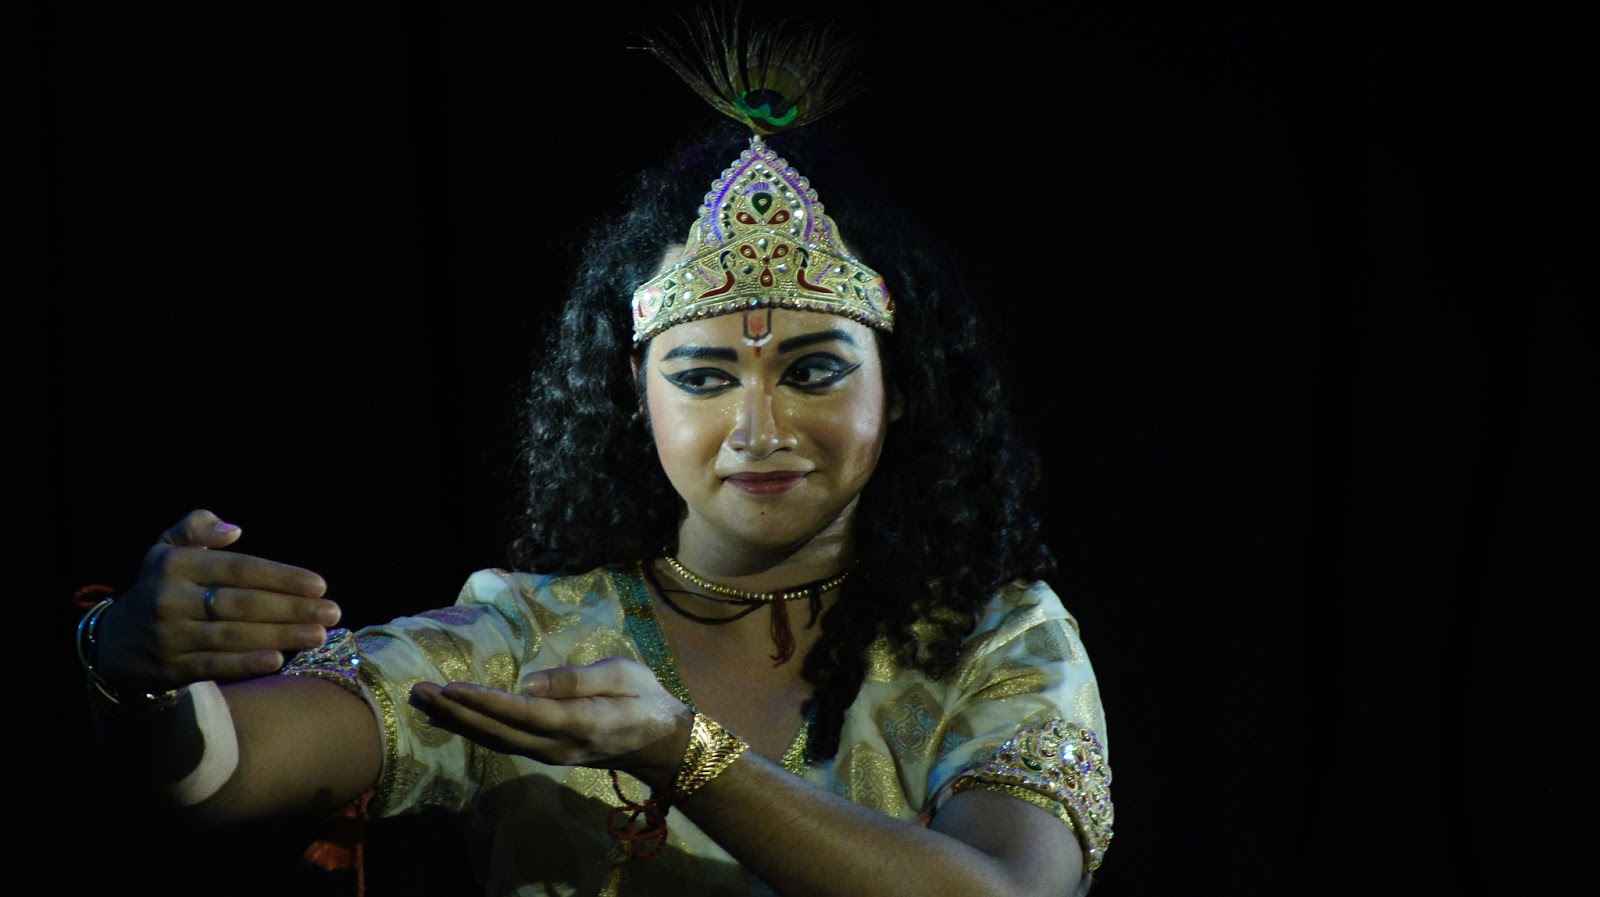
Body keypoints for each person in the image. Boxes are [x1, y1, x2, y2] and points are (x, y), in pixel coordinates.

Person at [76, 8, 1114, 896]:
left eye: (812, 371)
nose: (758, 428)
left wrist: (682, 752)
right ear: (634, 395)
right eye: (703, 378)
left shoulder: (993, 638)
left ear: (901, 387)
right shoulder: (531, 638)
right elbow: (217, 772)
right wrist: (134, 673)